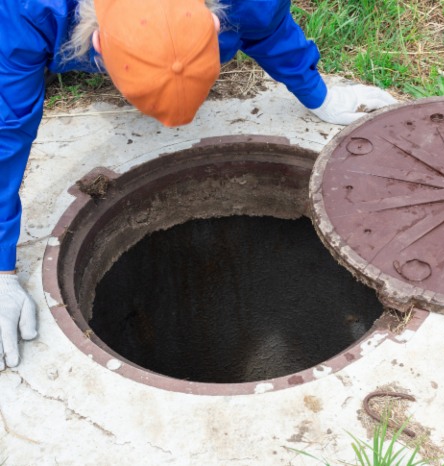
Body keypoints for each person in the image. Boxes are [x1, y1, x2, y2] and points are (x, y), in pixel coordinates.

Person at [0, 0, 397, 370]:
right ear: (98, 41)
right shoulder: (26, 11)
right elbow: (7, 135)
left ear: (213, 19)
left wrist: (317, 93)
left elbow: (264, 21)